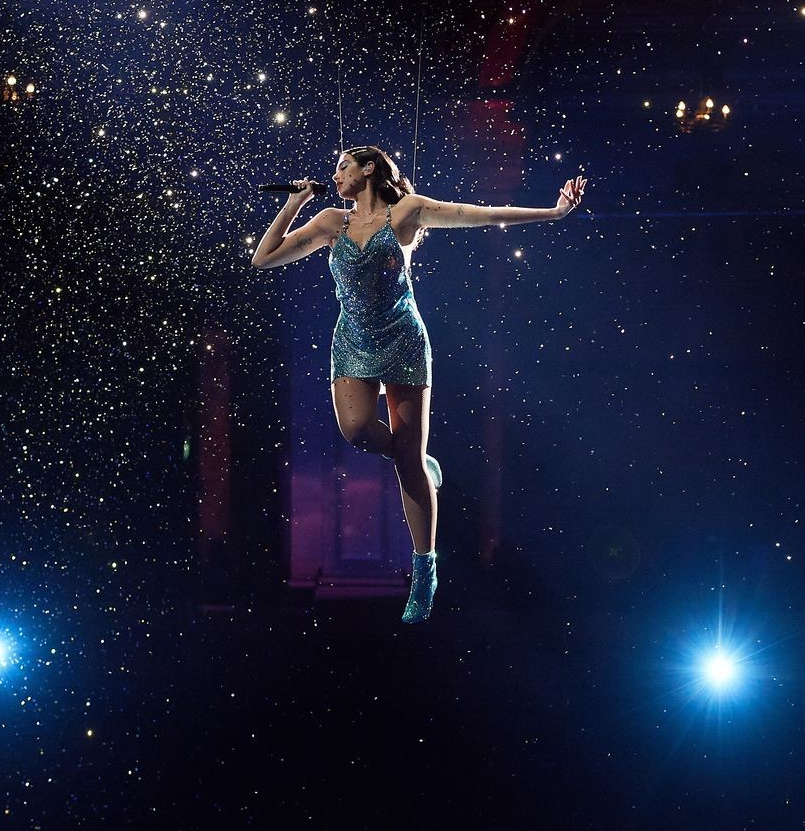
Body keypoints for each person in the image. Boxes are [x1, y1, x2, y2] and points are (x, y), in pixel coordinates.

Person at [251, 144, 587, 622]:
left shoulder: (406, 212)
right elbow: (264, 259)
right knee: (356, 431)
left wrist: (553, 213)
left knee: (407, 461)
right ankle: (416, 458)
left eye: (343, 167)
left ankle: (425, 567)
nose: (336, 175)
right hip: (353, 342)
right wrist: (295, 202)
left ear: (369, 169)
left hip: (404, 340)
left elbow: (479, 215)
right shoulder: (331, 222)